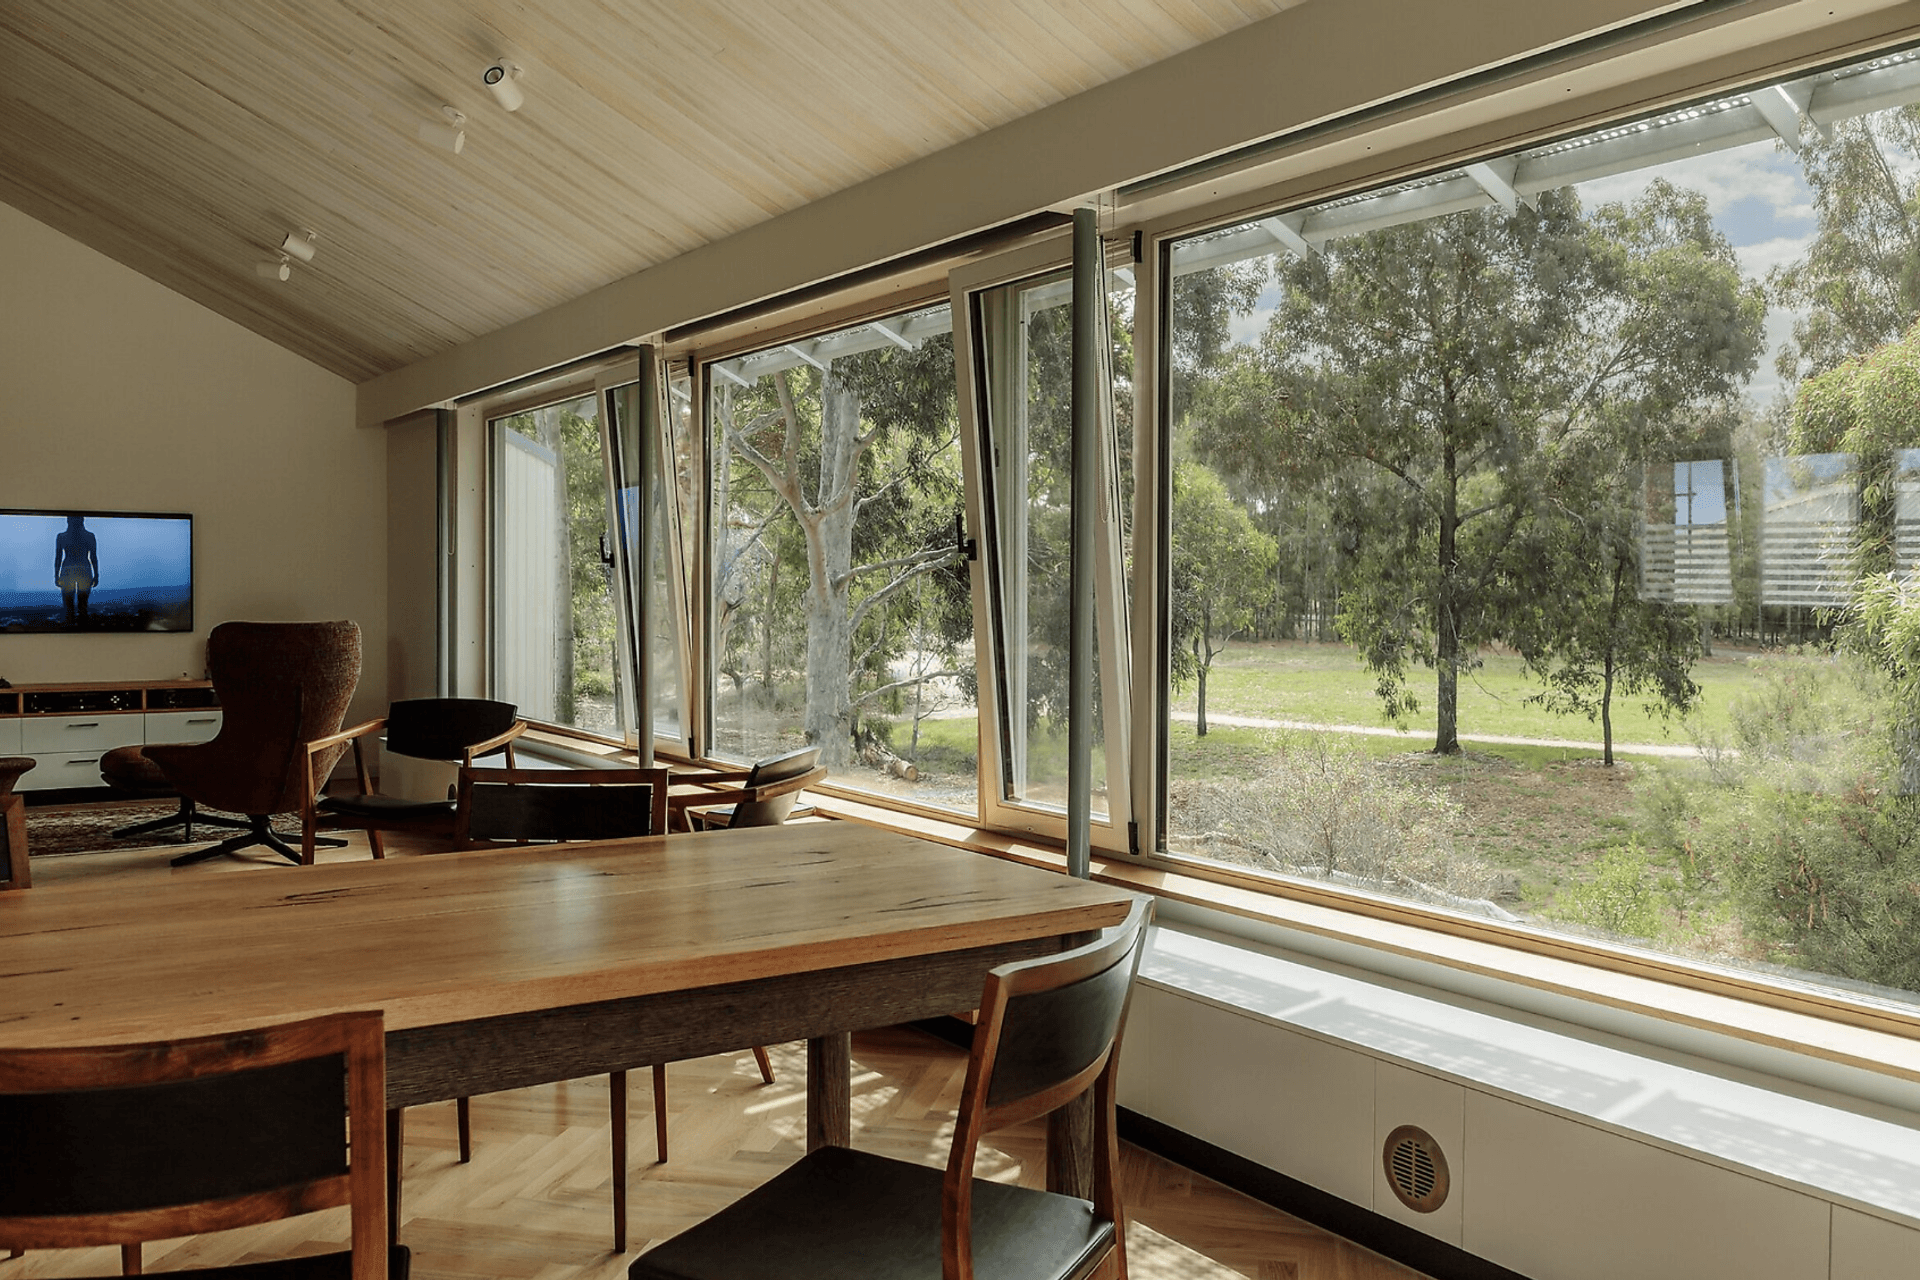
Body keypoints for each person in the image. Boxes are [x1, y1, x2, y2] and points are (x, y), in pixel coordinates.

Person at [53, 514, 98, 626]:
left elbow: (58, 558)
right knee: (82, 605)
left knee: (69, 606)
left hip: (68, 570)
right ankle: (81, 628)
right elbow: (93, 557)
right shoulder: (89, 536)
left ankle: (71, 628)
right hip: (83, 569)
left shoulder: (62, 537)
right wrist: (96, 574)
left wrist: (56, 575)